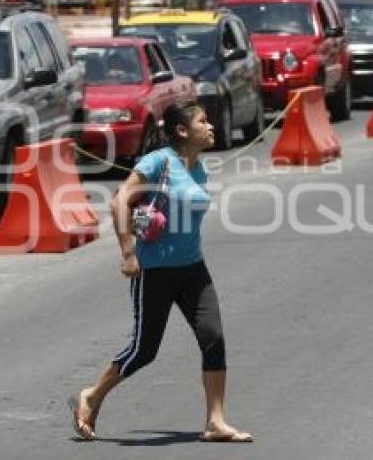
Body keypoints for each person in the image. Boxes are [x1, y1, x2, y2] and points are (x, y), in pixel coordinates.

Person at [69, 100, 253, 443]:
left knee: (213, 338)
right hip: (154, 272)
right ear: (182, 131)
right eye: (203, 121)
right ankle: (91, 395)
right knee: (144, 351)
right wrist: (128, 253)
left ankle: (215, 421)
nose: (211, 126)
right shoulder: (157, 162)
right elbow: (119, 200)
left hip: (193, 269)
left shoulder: (198, 167)